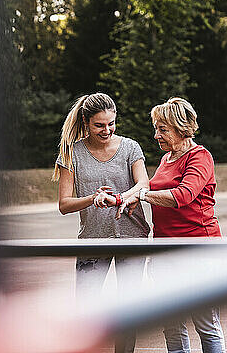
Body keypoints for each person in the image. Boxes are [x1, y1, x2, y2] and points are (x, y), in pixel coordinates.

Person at [113, 97, 225, 353]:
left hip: (198, 250)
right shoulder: (166, 159)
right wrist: (122, 198)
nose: (156, 136)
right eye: (156, 128)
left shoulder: (200, 157)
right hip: (165, 249)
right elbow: (148, 188)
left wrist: (140, 196)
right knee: (172, 324)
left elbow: (182, 196)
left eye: (162, 129)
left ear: (181, 128)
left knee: (205, 323)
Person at [53, 92, 150, 353]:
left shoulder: (130, 147)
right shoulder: (71, 153)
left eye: (111, 123)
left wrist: (121, 198)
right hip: (93, 241)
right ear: (86, 122)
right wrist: (92, 199)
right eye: (99, 125)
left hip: (132, 238)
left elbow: (143, 183)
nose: (107, 130)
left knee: (129, 310)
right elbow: (64, 204)